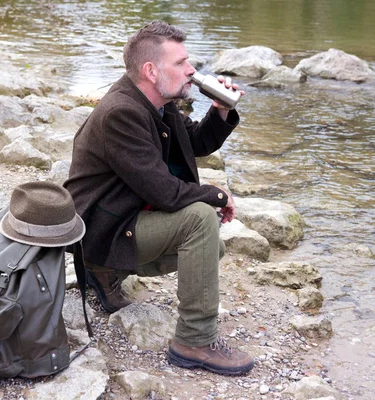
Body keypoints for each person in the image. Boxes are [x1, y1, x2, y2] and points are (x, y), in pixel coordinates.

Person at [64, 20, 253, 376]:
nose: (192, 69)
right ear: (151, 70)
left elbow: (194, 143)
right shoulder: (122, 112)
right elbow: (164, 192)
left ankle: (105, 274)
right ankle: (194, 341)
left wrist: (221, 110)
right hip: (101, 228)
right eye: (181, 62)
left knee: (212, 244)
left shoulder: (157, 101)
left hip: (123, 215)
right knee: (199, 219)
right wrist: (218, 194)